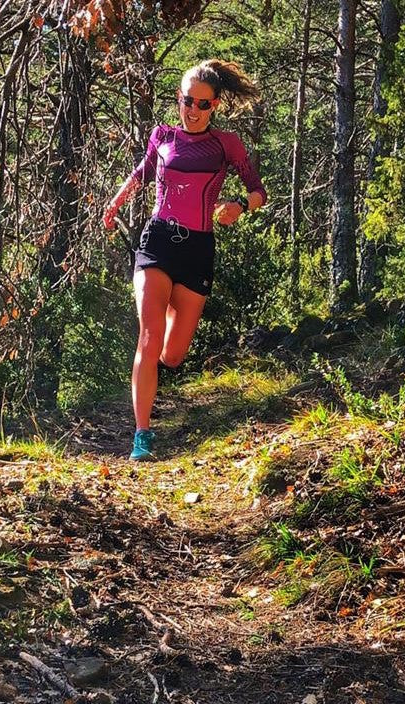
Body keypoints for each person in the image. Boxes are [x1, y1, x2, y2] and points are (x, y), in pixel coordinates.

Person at [103, 60, 266, 461]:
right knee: (148, 335)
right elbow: (141, 172)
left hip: (198, 250)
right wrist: (114, 202)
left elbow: (258, 190)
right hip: (158, 242)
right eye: (186, 100)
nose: (192, 110)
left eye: (202, 104)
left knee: (172, 354)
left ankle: (155, 374)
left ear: (215, 106)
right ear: (178, 98)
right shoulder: (161, 135)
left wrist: (240, 205)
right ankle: (142, 435)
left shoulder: (227, 145)